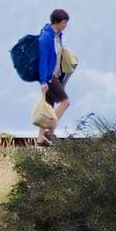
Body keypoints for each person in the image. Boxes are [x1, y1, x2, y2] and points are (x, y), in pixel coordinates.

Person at [38, 9, 72, 142]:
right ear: (56, 22)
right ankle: (48, 130)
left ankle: (40, 141)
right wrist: (43, 81)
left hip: (56, 75)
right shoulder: (46, 38)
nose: (66, 25)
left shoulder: (57, 36)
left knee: (48, 109)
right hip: (49, 77)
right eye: (64, 22)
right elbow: (43, 60)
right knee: (65, 102)